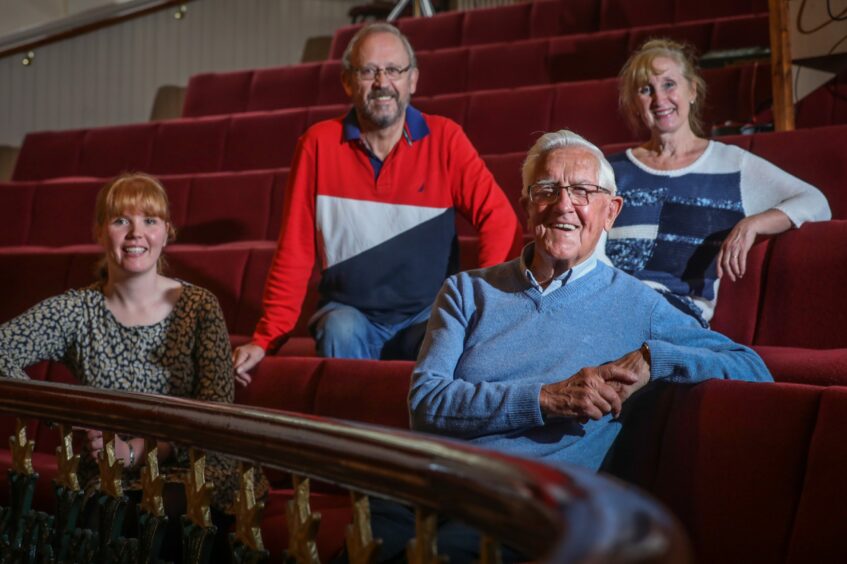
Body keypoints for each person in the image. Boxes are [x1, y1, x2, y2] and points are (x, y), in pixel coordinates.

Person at [366, 130, 772, 562]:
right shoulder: (467, 291)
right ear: (527, 207)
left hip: (526, 503)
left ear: (610, 211)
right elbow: (427, 405)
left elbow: (751, 367)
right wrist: (547, 398)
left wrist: (656, 358)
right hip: (429, 486)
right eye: (547, 190)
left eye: (582, 191)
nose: (564, 205)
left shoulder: (642, 306)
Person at [233, 23, 522, 381]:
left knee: (446, 334)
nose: (382, 82)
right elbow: (295, 250)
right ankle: (348, 438)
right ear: (347, 81)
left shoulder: (445, 138)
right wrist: (266, 340)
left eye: (394, 70)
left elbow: (499, 219)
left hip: (425, 315)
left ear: (412, 80)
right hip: (350, 314)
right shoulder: (317, 145)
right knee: (339, 328)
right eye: (368, 71)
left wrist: (481, 305)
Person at [0, 173, 265, 562]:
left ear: (167, 232)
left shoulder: (199, 306)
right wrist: (62, 411)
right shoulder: (76, 310)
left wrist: (140, 451)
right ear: (99, 231)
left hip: (197, 465)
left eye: (150, 221)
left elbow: (216, 414)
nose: (135, 233)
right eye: (121, 220)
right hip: (111, 471)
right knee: (96, 520)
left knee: (161, 519)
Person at [605, 38, 830, 326]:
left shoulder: (731, 164)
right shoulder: (612, 170)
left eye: (669, 84)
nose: (659, 99)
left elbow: (817, 202)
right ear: (635, 103)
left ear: (692, 91)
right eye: (646, 89)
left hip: (676, 318)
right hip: (610, 307)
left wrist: (753, 224)